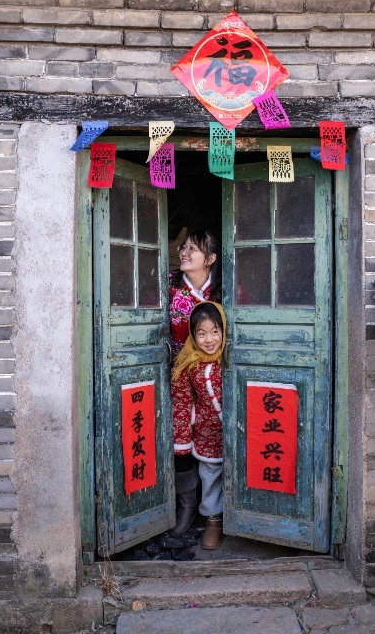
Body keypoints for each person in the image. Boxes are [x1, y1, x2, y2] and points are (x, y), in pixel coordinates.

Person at [170, 301, 226, 549]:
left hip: (239, 431)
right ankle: (213, 520)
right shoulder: (187, 365)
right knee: (211, 476)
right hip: (208, 433)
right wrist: (182, 441)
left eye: (215, 331)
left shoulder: (232, 357)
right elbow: (182, 404)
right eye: (201, 333)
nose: (209, 339)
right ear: (193, 335)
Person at [168, 230, 221, 360]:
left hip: (215, 369)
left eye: (192, 248)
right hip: (177, 367)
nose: (184, 253)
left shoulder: (224, 289)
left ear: (210, 258)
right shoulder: (167, 284)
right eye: (183, 247)